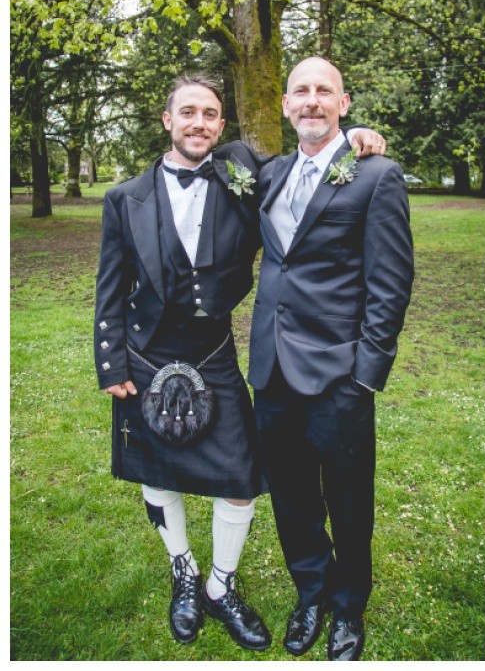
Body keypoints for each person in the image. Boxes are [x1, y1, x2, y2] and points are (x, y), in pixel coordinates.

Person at [94, 74, 385, 651]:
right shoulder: (124, 197)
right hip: (145, 353)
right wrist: (110, 364)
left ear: (222, 126)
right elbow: (109, 285)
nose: (198, 123)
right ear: (167, 119)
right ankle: (185, 572)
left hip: (216, 352)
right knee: (158, 474)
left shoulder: (241, 175)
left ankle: (221, 586)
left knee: (242, 476)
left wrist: (355, 135)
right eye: (187, 113)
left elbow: (313, 155)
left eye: (210, 114)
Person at [248, 57, 414, 661]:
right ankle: (311, 592)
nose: (311, 100)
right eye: (301, 91)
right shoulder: (268, 175)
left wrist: (366, 376)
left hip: (340, 376)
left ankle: (349, 609)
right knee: (291, 499)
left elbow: (391, 283)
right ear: (287, 105)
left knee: (348, 503)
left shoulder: (376, 175)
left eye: (324, 91)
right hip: (271, 369)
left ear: (344, 104)